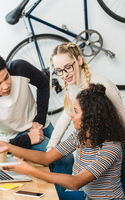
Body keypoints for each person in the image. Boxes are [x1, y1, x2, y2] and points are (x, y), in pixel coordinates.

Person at [0, 83, 125, 200]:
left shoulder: (111, 149)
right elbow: (47, 157)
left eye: (76, 111)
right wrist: (8, 147)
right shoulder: (80, 136)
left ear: (90, 117)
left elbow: (75, 182)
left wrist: (30, 170)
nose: (71, 115)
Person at [0, 52, 73, 190]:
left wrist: (39, 119)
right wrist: (28, 139)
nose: (6, 86)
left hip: (40, 125)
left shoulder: (20, 67)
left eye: (6, 77)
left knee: (65, 160)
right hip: (16, 137)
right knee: (64, 159)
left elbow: (44, 83)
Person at [47, 42, 125, 178]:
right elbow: (66, 116)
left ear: (79, 60)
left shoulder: (103, 85)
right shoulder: (73, 85)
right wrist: (51, 147)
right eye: (59, 70)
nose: (64, 75)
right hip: (95, 150)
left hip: (113, 152)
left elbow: (122, 120)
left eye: (68, 67)